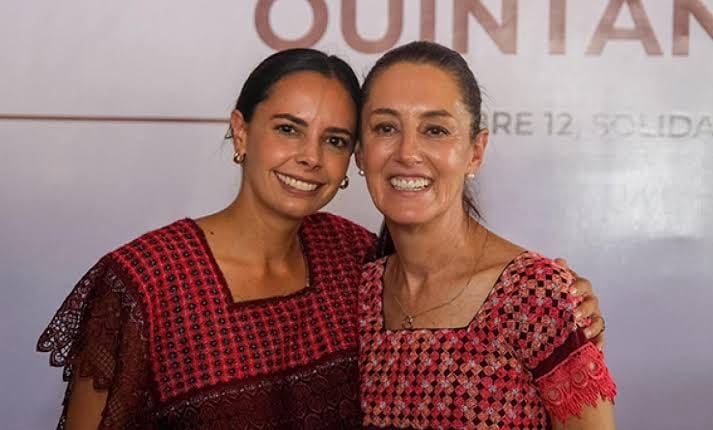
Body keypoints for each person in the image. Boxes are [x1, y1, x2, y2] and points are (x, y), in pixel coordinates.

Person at [38, 48, 605, 429]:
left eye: (333, 139)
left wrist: (555, 304)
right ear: (241, 131)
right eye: (288, 129)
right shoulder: (146, 281)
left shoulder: (353, 260)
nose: (310, 157)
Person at [356, 41, 616, 429]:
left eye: (435, 130)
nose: (408, 152)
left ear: (475, 152)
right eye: (386, 128)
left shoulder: (537, 296)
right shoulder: (359, 292)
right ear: (360, 152)